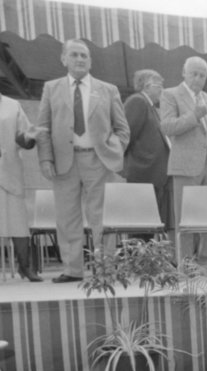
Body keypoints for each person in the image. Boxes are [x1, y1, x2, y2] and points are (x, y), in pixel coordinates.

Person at [36, 38, 130, 282]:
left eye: (84, 56)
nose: (79, 59)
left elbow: (122, 128)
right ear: (64, 59)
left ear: (90, 61)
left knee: (102, 217)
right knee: (67, 217)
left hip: (99, 160)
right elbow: (43, 128)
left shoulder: (108, 89)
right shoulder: (51, 88)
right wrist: (46, 158)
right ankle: (72, 269)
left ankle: (105, 267)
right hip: (63, 162)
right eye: (74, 55)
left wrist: (115, 149)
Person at [160, 56, 207, 263]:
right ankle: (186, 263)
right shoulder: (170, 94)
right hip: (185, 164)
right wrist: (194, 116)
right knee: (185, 216)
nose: (198, 79)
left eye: (202, 75)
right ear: (184, 73)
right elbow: (168, 127)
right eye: (194, 74)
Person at [0, 93, 42, 281]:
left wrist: (29, 138)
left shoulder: (12, 105)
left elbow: (25, 137)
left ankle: (25, 266)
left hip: (10, 169)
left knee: (17, 220)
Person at [123, 69, 171, 229]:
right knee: (140, 226)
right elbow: (125, 137)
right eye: (159, 86)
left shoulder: (150, 107)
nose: (162, 90)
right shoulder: (138, 101)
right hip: (142, 174)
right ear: (147, 85)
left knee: (148, 226)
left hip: (152, 176)